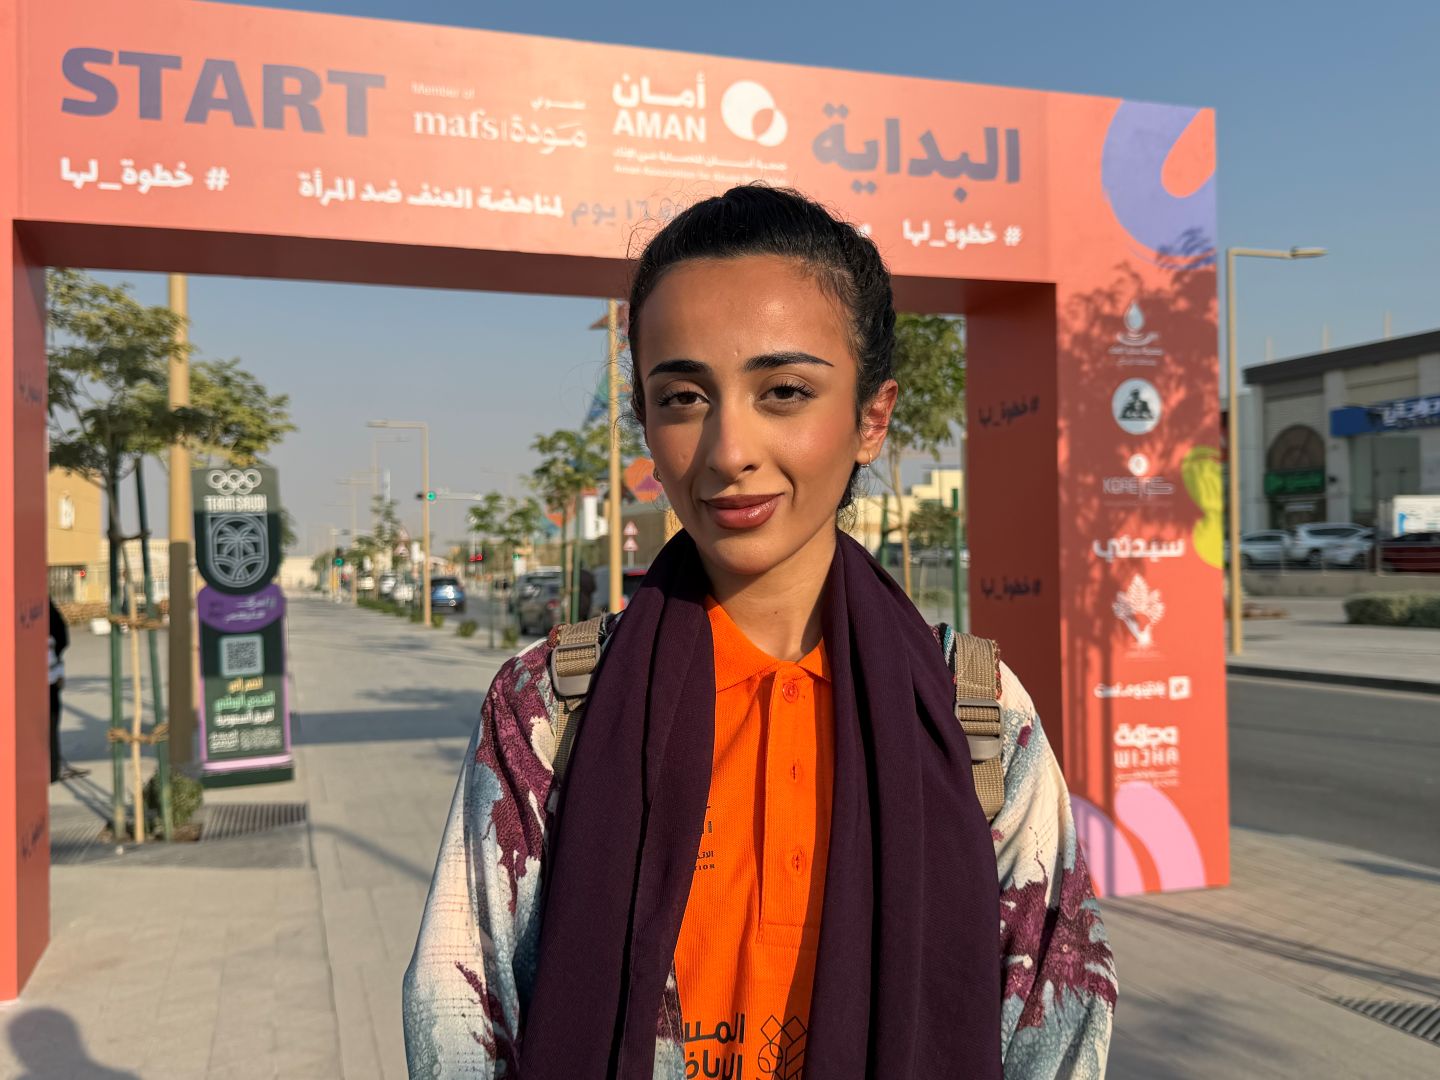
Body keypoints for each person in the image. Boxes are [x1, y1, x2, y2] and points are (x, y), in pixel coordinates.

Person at [404, 186, 1116, 1078]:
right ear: (645, 422)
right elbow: (456, 1013)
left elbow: (1057, 1029)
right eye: (682, 397)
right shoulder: (547, 708)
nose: (728, 449)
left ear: (872, 418)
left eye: (784, 391)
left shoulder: (975, 713)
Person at [48, 599, 85, 782]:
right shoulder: (42, 604)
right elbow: (62, 637)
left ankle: (51, 768)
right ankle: (52, 769)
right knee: (50, 722)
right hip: (48, 678)